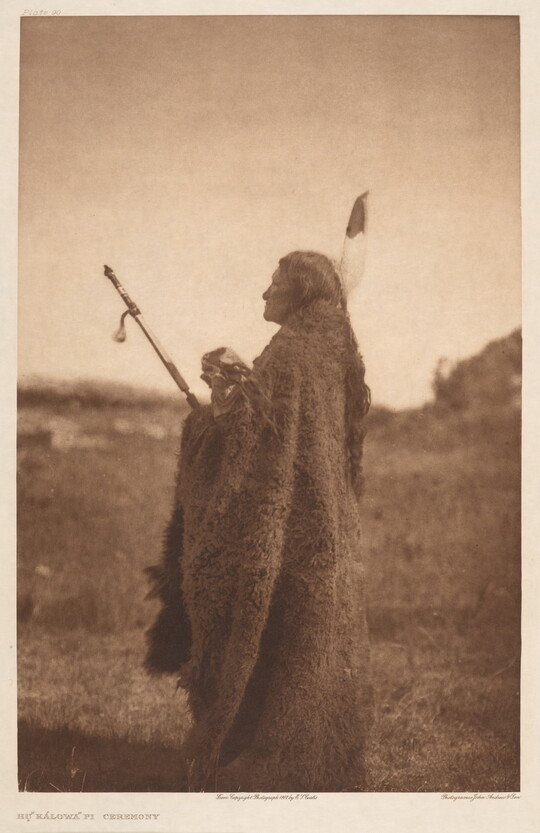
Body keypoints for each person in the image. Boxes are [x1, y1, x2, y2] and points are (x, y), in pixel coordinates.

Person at [145, 250, 372, 792]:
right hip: (319, 536)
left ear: (298, 291)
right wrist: (237, 390)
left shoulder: (292, 352)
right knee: (298, 650)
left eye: (273, 285)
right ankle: (301, 761)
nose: (264, 294)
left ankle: (259, 759)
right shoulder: (330, 349)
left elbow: (252, 442)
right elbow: (280, 430)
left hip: (285, 540)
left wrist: (210, 413)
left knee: (270, 644)